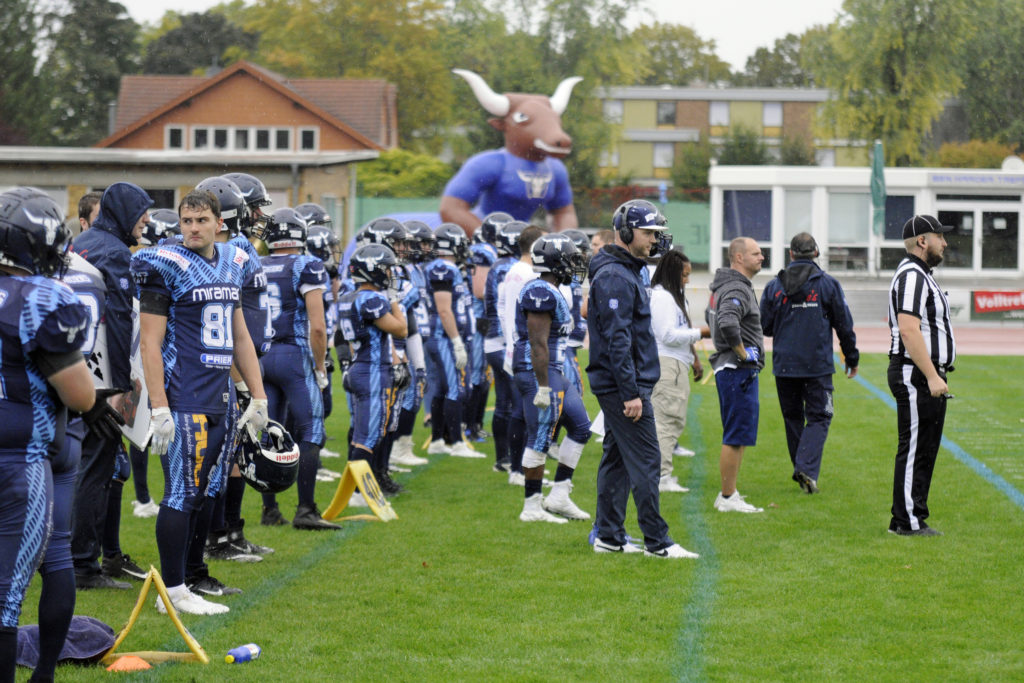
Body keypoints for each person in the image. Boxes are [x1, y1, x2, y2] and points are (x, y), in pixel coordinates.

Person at [0, 187, 123, 681]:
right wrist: (93, 403)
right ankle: (43, 673)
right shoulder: (45, 297)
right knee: (10, 598)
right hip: (24, 458)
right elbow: (75, 393)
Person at [132, 188, 269, 615]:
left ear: (218, 224)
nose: (192, 229)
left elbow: (241, 335)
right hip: (183, 393)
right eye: (186, 221)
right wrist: (158, 406)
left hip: (219, 394)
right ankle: (173, 592)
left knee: (203, 492)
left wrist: (258, 394)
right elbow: (150, 344)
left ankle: (189, 578)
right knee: (180, 492)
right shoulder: (164, 265)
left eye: (201, 221)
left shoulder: (233, 261)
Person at [586, 199, 697, 559]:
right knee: (648, 459)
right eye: (648, 232)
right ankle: (657, 542)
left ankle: (609, 535)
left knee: (616, 460)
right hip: (624, 385)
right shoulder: (616, 275)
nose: (654, 240)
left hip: (626, 381)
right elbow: (618, 340)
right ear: (626, 232)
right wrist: (631, 393)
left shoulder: (627, 269)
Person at [71, 181, 153, 590]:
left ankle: (64, 557)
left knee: (73, 468)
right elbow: (119, 321)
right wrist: (122, 385)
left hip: (71, 371)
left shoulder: (82, 240)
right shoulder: (114, 252)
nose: (147, 220)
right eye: (142, 211)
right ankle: (84, 565)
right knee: (97, 469)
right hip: (102, 379)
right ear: (124, 212)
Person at [760, 232, 859, 494]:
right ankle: (805, 468)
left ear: (791, 254)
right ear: (816, 253)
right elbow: (844, 325)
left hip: (784, 365)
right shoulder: (827, 284)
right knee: (820, 416)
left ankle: (802, 468)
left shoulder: (774, 286)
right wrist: (852, 357)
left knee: (792, 418)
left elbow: (765, 326)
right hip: (817, 366)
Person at [258, 208, 336, 529]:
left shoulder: (257, 264)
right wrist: (320, 366)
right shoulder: (307, 265)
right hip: (294, 354)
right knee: (311, 429)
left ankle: (270, 509)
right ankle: (306, 510)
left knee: (270, 433)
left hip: (261, 356)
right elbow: (317, 327)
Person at [513, 234, 592, 523]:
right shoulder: (540, 292)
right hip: (538, 372)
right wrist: (543, 385)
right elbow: (537, 343)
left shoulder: (552, 288)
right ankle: (531, 508)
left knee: (581, 427)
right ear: (556, 262)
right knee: (540, 438)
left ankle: (559, 496)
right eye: (571, 260)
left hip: (553, 370)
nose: (575, 265)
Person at [886, 215, 955, 536]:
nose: (945, 243)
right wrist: (930, 375)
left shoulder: (922, 275)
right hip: (914, 373)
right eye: (939, 236)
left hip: (923, 373)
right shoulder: (913, 275)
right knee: (915, 448)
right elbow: (908, 329)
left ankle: (914, 515)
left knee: (926, 448)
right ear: (922, 241)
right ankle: (905, 522)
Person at [706, 237, 766, 514]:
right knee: (735, 434)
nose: (762, 256)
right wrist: (743, 353)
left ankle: (730, 494)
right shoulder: (735, 288)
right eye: (756, 253)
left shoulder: (730, 286)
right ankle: (728, 497)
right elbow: (727, 322)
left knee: (739, 434)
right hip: (736, 370)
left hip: (733, 370)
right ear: (738, 257)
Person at [649, 249, 707, 493]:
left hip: (677, 362)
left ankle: (662, 474)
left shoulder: (676, 296)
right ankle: (662, 477)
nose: (688, 280)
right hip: (666, 363)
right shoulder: (662, 297)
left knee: (674, 420)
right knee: (665, 421)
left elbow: (681, 328)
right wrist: (702, 334)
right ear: (672, 274)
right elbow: (667, 335)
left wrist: (694, 356)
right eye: (684, 275)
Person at [498, 224, 548, 484]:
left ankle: (521, 467)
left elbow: (501, 307)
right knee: (528, 413)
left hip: (514, 348)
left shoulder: (512, 271)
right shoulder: (528, 273)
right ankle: (521, 470)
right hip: (526, 351)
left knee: (522, 410)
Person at [423, 223, 478, 458]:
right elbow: (444, 310)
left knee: (441, 390)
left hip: (444, 337)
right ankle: (456, 442)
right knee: (455, 389)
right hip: (443, 338)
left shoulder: (448, 267)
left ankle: (437, 440)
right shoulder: (442, 268)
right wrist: (456, 341)